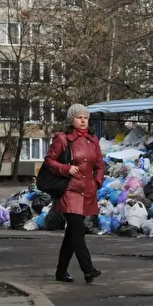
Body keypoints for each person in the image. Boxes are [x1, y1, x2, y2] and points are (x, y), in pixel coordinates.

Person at [44, 104, 103, 284]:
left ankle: (61, 272)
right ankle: (88, 269)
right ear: (72, 120)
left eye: (86, 117)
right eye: (79, 117)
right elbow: (49, 161)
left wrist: (97, 182)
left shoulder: (93, 140)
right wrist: (66, 168)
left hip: (87, 190)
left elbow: (100, 165)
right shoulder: (62, 139)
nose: (83, 120)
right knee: (77, 229)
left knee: (71, 232)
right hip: (69, 190)